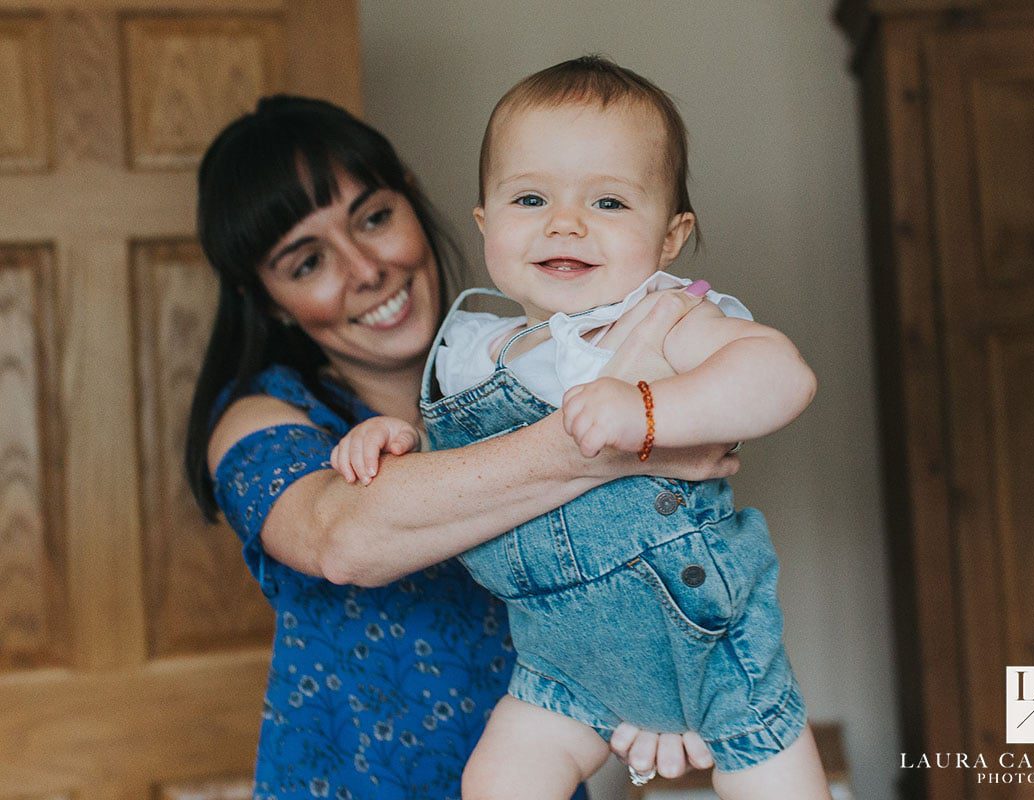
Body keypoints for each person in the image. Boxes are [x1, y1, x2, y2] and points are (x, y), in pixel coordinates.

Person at [184, 95, 739, 800]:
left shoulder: (542, 371)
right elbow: (341, 538)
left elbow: (635, 560)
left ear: (412, 201)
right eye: (307, 262)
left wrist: (667, 684)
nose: (365, 270)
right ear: (266, 300)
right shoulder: (261, 418)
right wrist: (609, 444)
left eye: (374, 219)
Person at [331, 57, 831, 800]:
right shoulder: (476, 347)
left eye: (608, 202)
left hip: (700, 634)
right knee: (496, 780)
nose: (565, 223)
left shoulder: (665, 318)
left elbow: (782, 377)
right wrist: (396, 439)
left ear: (670, 236)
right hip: (557, 657)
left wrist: (650, 411)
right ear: (486, 223)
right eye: (530, 198)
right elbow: (458, 470)